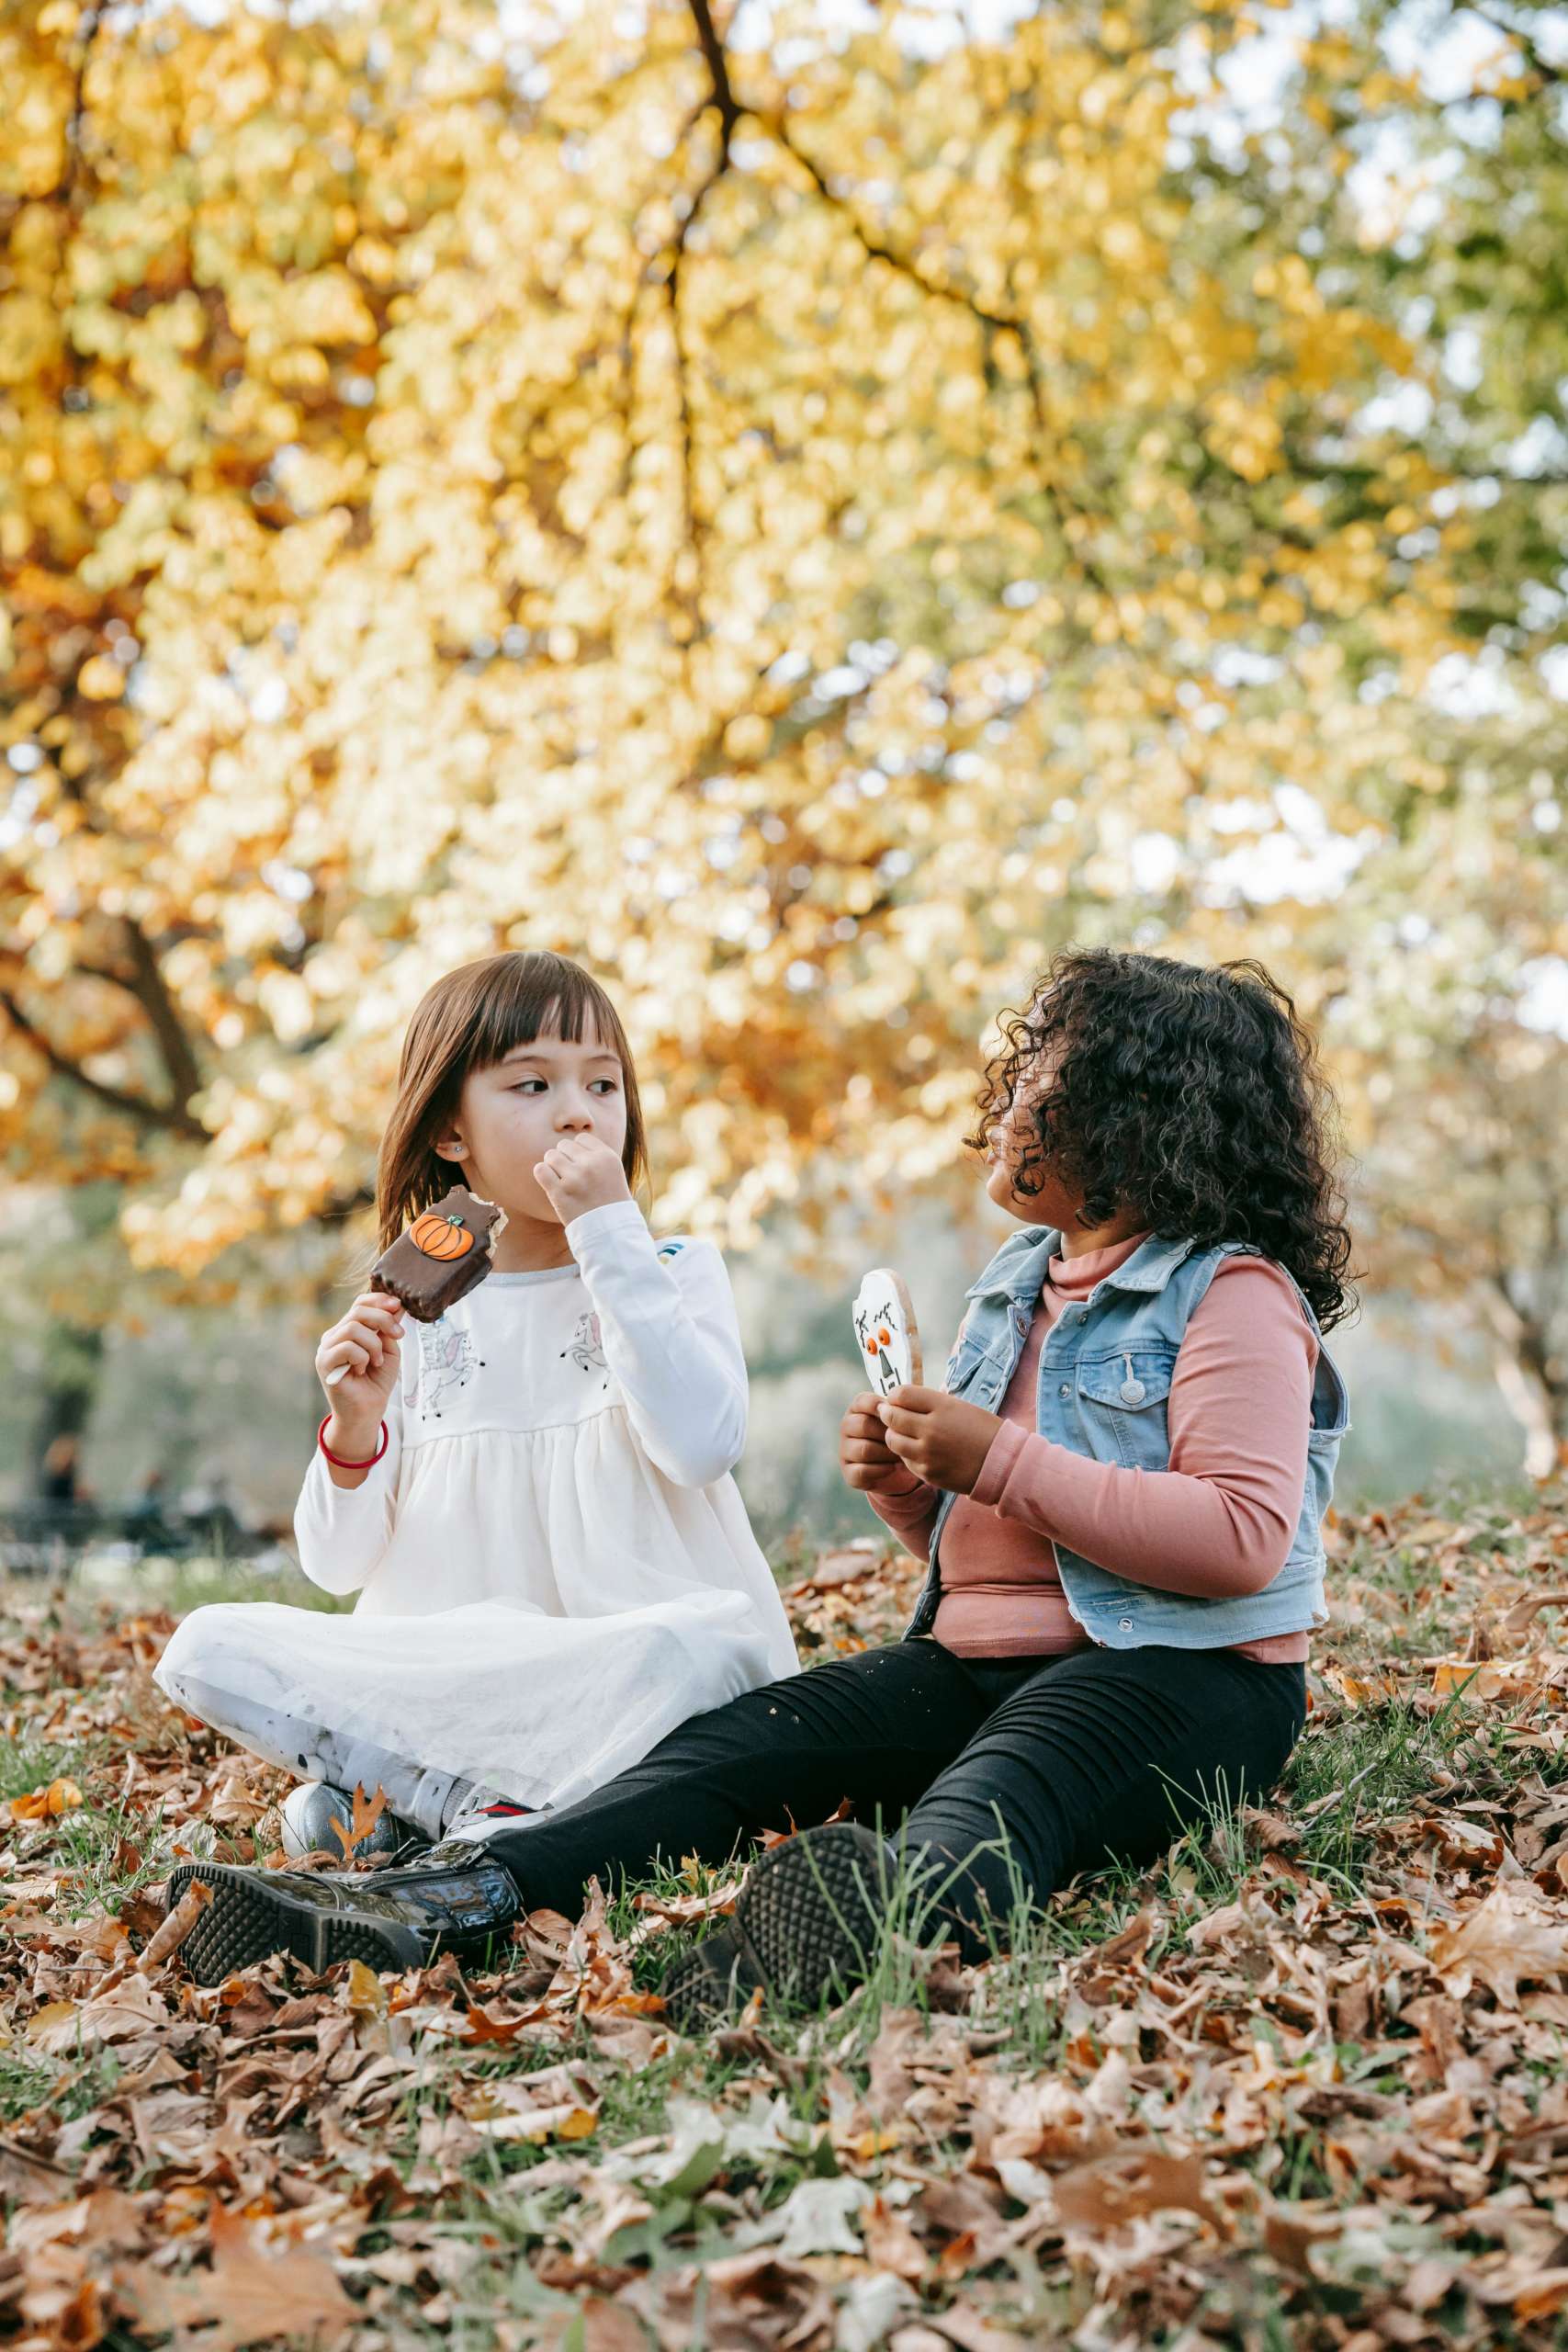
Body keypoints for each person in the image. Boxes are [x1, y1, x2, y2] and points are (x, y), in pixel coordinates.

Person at [167, 947, 1352, 2009]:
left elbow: (1241, 1536)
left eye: (1040, 1073)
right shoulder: (1022, 1280)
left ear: (1135, 1117)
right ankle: (434, 1905)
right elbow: (1018, 1544)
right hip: (970, 1662)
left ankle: (854, 1929)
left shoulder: (1231, 1294)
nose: (1006, 1095)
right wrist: (916, 1495)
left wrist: (995, 1457)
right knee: (734, 1750)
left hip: (1177, 1679)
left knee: (1002, 1796)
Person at [153, 949, 797, 1867]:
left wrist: (609, 1233)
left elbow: (699, 1445)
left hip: (618, 1670)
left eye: (604, 1084)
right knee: (207, 1642)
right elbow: (337, 1563)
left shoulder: (668, 1269)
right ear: (452, 1133)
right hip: (454, 1679)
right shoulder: (420, 1303)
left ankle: (405, 1805)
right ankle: (457, 1794)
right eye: (533, 1083)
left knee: (694, 1650)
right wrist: (354, 1426)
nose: (579, 1110)